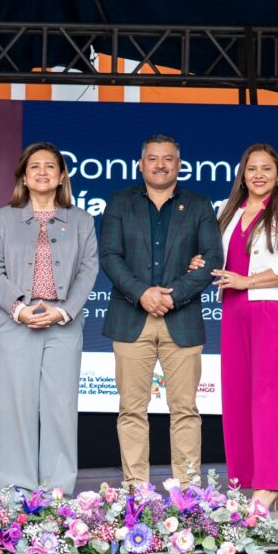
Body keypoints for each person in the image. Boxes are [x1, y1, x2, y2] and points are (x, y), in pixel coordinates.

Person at [99, 134, 222, 486]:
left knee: (185, 411)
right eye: (153, 158)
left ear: (179, 165)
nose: (160, 164)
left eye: (168, 158)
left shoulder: (199, 205)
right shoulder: (120, 202)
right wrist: (142, 293)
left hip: (180, 319)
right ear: (141, 164)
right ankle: (135, 492)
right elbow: (109, 256)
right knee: (131, 411)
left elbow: (213, 258)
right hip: (130, 317)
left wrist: (172, 295)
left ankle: (188, 493)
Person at [0, 142, 99, 494]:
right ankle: (17, 490)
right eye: (34, 166)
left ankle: (57, 489)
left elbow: (88, 269)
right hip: (17, 320)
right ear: (24, 176)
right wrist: (19, 308)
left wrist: (62, 310)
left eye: (50, 166)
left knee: (60, 407)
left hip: (63, 321)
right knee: (18, 407)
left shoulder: (81, 219)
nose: (43, 172)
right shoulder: (3, 218)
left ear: (61, 175)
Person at [209, 143, 278, 511]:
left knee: (272, 398)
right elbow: (218, 257)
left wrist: (246, 282)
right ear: (243, 174)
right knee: (238, 395)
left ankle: (269, 485)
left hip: (274, 309)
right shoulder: (227, 209)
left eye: (267, 168)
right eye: (252, 168)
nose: (259, 175)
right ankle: (244, 480)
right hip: (235, 309)